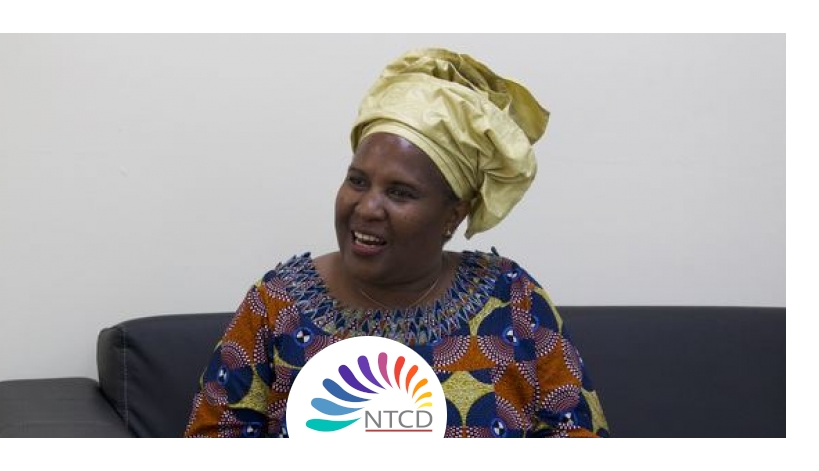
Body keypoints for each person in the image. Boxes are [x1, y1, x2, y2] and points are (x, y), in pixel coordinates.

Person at [184, 48, 609, 438]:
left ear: (452, 215)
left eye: (400, 193)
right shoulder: (277, 304)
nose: (367, 207)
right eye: (357, 181)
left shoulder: (512, 301)